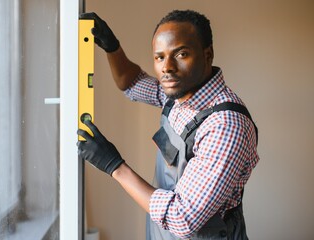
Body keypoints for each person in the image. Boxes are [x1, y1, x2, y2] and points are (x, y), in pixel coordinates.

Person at [78, 10, 259, 240]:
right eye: (159, 57)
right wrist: (112, 47)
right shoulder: (176, 98)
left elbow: (182, 218)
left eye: (181, 54)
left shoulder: (226, 125)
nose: (167, 67)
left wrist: (114, 165)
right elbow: (130, 83)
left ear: (208, 54)